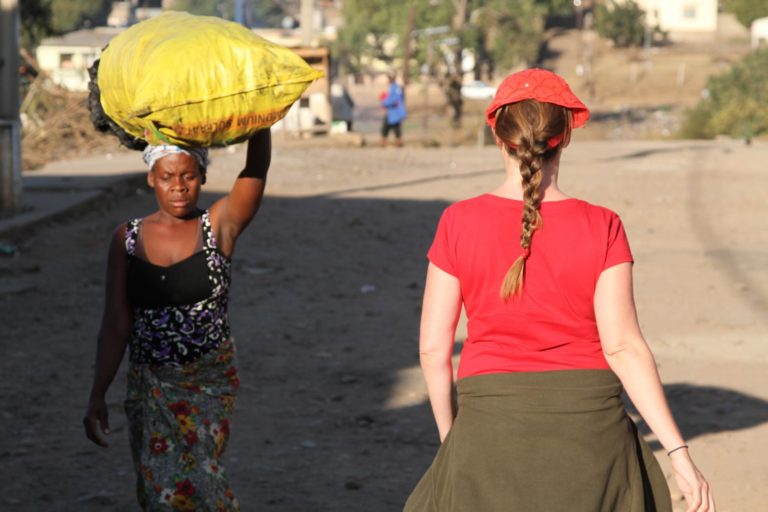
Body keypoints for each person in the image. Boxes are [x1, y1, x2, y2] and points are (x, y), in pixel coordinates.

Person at [404, 69, 715, 512]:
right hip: (592, 434)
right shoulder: (603, 225)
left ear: (497, 133)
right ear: (565, 136)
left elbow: (433, 351)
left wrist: (453, 441)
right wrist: (679, 454)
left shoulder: (458, 222)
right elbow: (623, 347)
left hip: (489, 426)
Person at [83, 129, 271, 511]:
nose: (178, 187)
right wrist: (98, 393)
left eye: (187, 176)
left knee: (204, 479)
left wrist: (261, 120)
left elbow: (256, 168)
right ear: (151, 177)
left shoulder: (218, 226)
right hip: (150, 385)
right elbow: (116, 322)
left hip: (208, 383)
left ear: (202, 175)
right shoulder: (127, 239)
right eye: (167, 177)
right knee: (159, 491)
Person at [380, 72, 407, 147]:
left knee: (391, 127)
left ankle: (395, 141)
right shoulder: (393, 87)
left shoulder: (395, 88)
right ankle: (386, 141)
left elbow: (395, 99)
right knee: (392, 127)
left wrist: (384, 103)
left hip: (395, 112)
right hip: (392, 112)